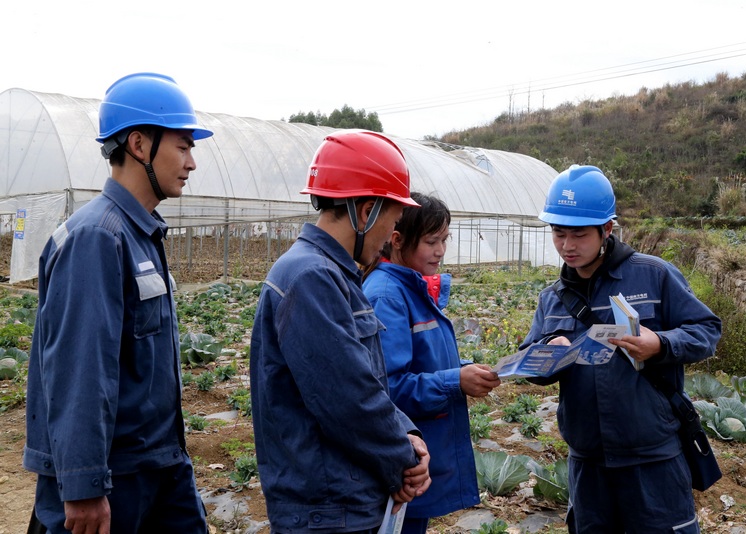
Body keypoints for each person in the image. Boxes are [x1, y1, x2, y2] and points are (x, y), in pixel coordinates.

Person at [23, 73, 213, 534]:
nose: (191, 162)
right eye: (183, 147)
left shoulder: (142, 232)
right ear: (139, 144)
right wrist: (84, 485)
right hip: (116, 477)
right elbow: (80, 368)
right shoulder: (98, 237)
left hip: (160, 463)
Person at [519, 164, 722, 534]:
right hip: (588, 464)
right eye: (559, 234)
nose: (567, 246)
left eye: (578, 235)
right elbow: (531, 363)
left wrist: (659, 344)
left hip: (653, 459)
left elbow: (707, 330)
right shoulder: (552, 298)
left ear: (606, 229)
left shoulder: (654, 274)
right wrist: (550, 351)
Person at [249, 130, 432, 533]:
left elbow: (364, 381)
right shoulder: (311, 277)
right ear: (366, 212)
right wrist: (404, 457)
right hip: (328, 510)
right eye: (393, 221)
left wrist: (407, 433)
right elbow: (347, 399)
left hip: (343, 502)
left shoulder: (332, 273)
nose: (390, 238)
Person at [362, 192, 501, 534]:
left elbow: (424, 359)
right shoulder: (387, 295)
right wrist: (456, 381)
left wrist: (467, 369)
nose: (440, 251)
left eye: (445, 240)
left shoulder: (412, 286)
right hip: (404, 460)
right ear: (397, 241)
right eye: (431, 241)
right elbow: (387, 388)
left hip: (418, 458)